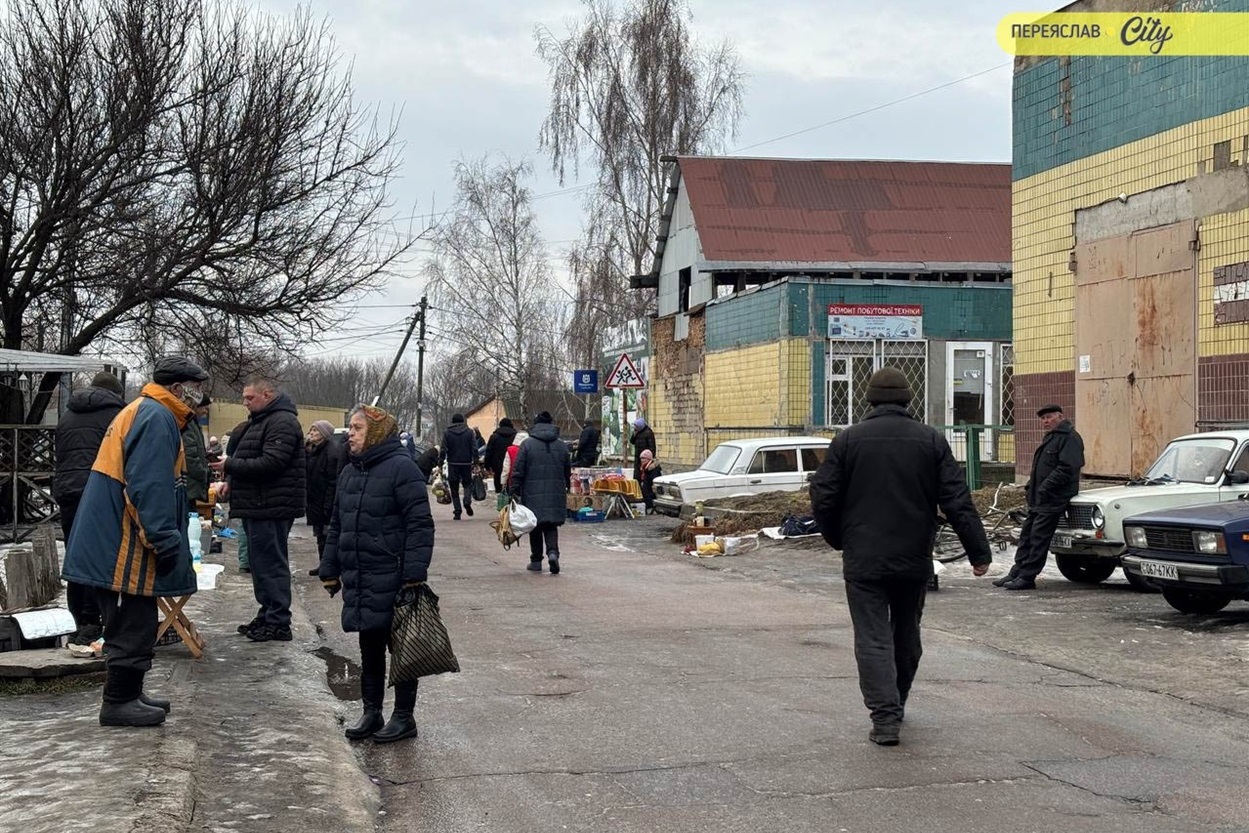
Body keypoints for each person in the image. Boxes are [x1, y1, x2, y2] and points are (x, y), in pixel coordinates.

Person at [809, 367, 992, 747]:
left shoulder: (848, 440)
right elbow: (957, 499)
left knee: (872, 637)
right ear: (909, 400)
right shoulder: (930, 440)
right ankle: (898, 700)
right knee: (906, 633)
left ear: (869, 400)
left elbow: (823, 496)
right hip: (913, 557)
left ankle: (885, 716)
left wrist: (838, 539)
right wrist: (979, 551)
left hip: (863, 558)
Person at [60, 356, 208, 727]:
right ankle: (119, 700)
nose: (201, 395)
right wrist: (165, 540)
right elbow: (149, 487)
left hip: (116, 533)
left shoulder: (148, 411)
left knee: (136, 615)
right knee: (132, 617)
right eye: (197, 386)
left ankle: (130, 691)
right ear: (177, 388)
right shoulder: (156, 417)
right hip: (121, 539)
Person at [319, 404, 434, 744]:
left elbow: (419, 524)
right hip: (362, 575)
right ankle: (372, 712)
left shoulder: (402, 468)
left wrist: (414, 573)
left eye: (356, 428)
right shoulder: (351, 472)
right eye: (349, 428)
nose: (350, 434)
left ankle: (404, 717)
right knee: (369, 644)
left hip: (395, 574)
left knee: (403, 648)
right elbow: (337, 524)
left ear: (376, 433)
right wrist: (330, 568)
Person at [210, 377, 306, 642]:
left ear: (267, 395)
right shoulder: (261, 421)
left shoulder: (283, 422)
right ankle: (267, 613)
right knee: (259, 564)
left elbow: (271, 463)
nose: (245, 402)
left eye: (249, 398)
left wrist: (229, 466)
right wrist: (230, 481)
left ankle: (278, 620)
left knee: (271, 563)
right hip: (257, 504)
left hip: (272, 505)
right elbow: (250, 459)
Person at [53, 371, 126, 648]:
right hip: (98, 493)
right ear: (115, 394)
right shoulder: (117, 415)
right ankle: (93, 621)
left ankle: (80, 622)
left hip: (68, 492)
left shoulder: (68, 414)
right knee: (97, 559)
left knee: (76, 558)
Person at [994, 404, 1085, 591]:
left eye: (1049, 417)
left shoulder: (1070, 438)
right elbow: (1040, 468)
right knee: (1027, 535)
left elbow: (1067, 468)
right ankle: (1017, 571)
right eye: (1043, 419)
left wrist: (1045, 487)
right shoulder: (1051, 438)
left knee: (1038, 538)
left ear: (1060, 416)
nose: (1045, 421)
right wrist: (1030, 487)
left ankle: (1027, 577)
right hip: (1039, 497)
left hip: (1054, 497)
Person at [511, 411, 571, 574]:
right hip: (555, 491)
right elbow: (567, 470)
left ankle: (536, 560)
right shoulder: (561, 445)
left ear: (535, 425)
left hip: (531, 491)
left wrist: (514, 489)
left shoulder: (527, 444)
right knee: (551, 525)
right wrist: (566, 485)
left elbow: (518, 470)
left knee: (535, 525)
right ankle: (553, 553)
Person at [305, 419, 348, 576]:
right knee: (320, 535)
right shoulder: (313, 450)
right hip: (315, 499)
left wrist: (328, 504)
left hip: (325, 500)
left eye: (315, 431)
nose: (312, 434)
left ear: (324, 434)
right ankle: (324, 564)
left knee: (328, 535)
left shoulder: (331, 452)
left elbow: (333, 481)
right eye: (311, 430)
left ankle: (330, 565)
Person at [222, 419, 251, 574]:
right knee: (246, 528)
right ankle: (247, 561)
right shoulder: (250, 433)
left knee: (243, 527)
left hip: (240, 490)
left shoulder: (241, 430)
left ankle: (245, 562)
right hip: (248, 490)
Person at [439, 413, 478, 519]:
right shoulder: (470, 432)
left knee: (454, 487)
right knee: (467, 484)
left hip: (453, 463)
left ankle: (457, 511)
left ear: (453, 421)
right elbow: (474, 448)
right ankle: (467, 501)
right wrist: (476, 461)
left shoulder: (447, 433)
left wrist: (441, 462)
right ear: (463, 421)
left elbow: (443, 449)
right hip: (466, 463)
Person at [182, 393, 211, 511]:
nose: (205, 412)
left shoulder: (193, 423)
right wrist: (203, 472)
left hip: (190, 487)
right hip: (189, 486)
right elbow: (190, 455)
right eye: (204, 408)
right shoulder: (188, 424)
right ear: (196, 406)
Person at [483, 418, 517, 493]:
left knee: (499, 487)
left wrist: (487, 466)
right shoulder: (515, 436)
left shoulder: (494, 436)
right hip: (512, 465)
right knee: (511, 487)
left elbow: (489, 452)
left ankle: (501, 500)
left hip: (497, 467)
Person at [500, 429, 529, 495]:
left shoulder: (510, 450)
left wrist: (503, 482)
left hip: (513, 480)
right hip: (527, 481)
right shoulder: (530, 449)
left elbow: (506, 468)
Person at [629, 416, 655, 484]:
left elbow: (652, 446)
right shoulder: (637, 432)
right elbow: (632, 441)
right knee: (637, 476)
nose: (635, 428)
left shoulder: (648, 433)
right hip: (638, 457)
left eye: (636, 426)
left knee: (644, 476)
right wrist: (634, 435)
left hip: (645, 458)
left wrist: (650, 458)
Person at [638, 448, 662, 514]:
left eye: (644, 458)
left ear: (648, 459)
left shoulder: (653, 469)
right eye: (641, 458)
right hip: (646, 490)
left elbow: (655, 482)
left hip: (651, 492)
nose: (642, 460)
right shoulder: (644, 468)